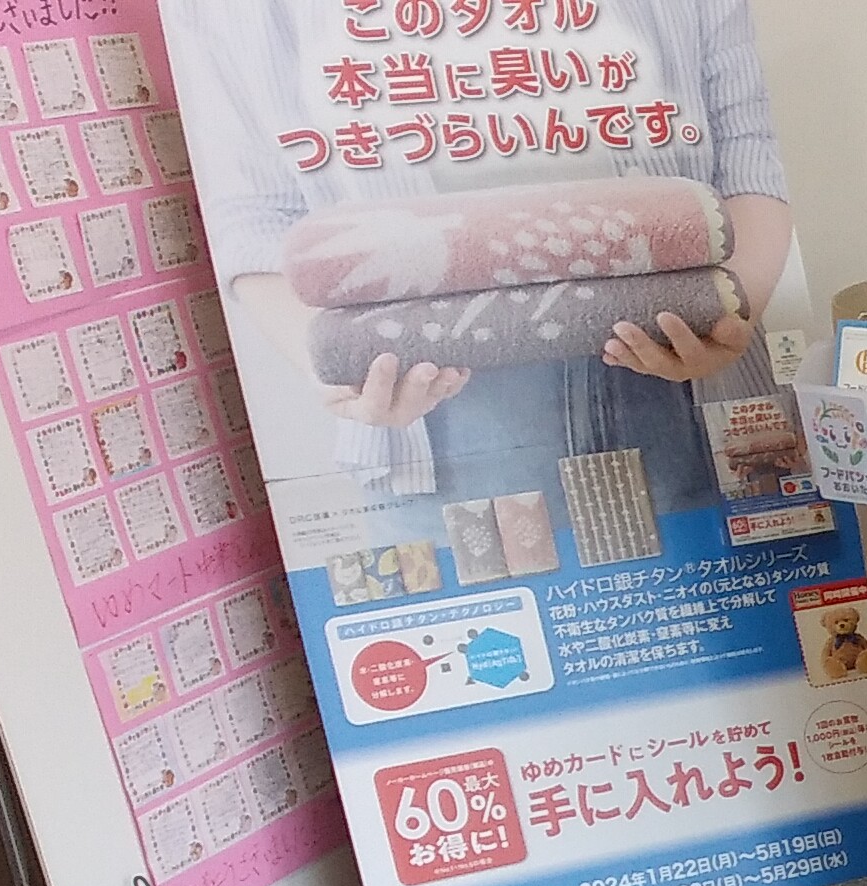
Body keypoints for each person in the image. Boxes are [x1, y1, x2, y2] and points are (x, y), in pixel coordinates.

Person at [165, 0, 797, 510]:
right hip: (433, 418)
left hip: (690, 379)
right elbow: (253, 215)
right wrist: (336, 364)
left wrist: (730, 310)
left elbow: (748, 148)